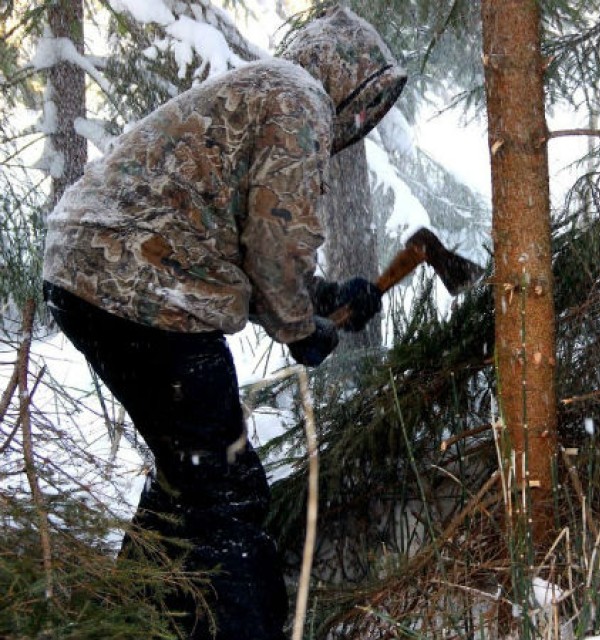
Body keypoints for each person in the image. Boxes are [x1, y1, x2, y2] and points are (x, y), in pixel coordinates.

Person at [42, 8, 406, 639]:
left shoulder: (268, 88)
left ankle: (129, 621)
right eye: (365, 100)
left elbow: (238, 230)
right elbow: (276, 244)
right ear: (348, 78)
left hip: (94, 274)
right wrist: (301, 329)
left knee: (192, 474)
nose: (360, 118)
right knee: (228, 494)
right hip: (145, 291)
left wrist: (320, 297)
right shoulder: (298, 100)